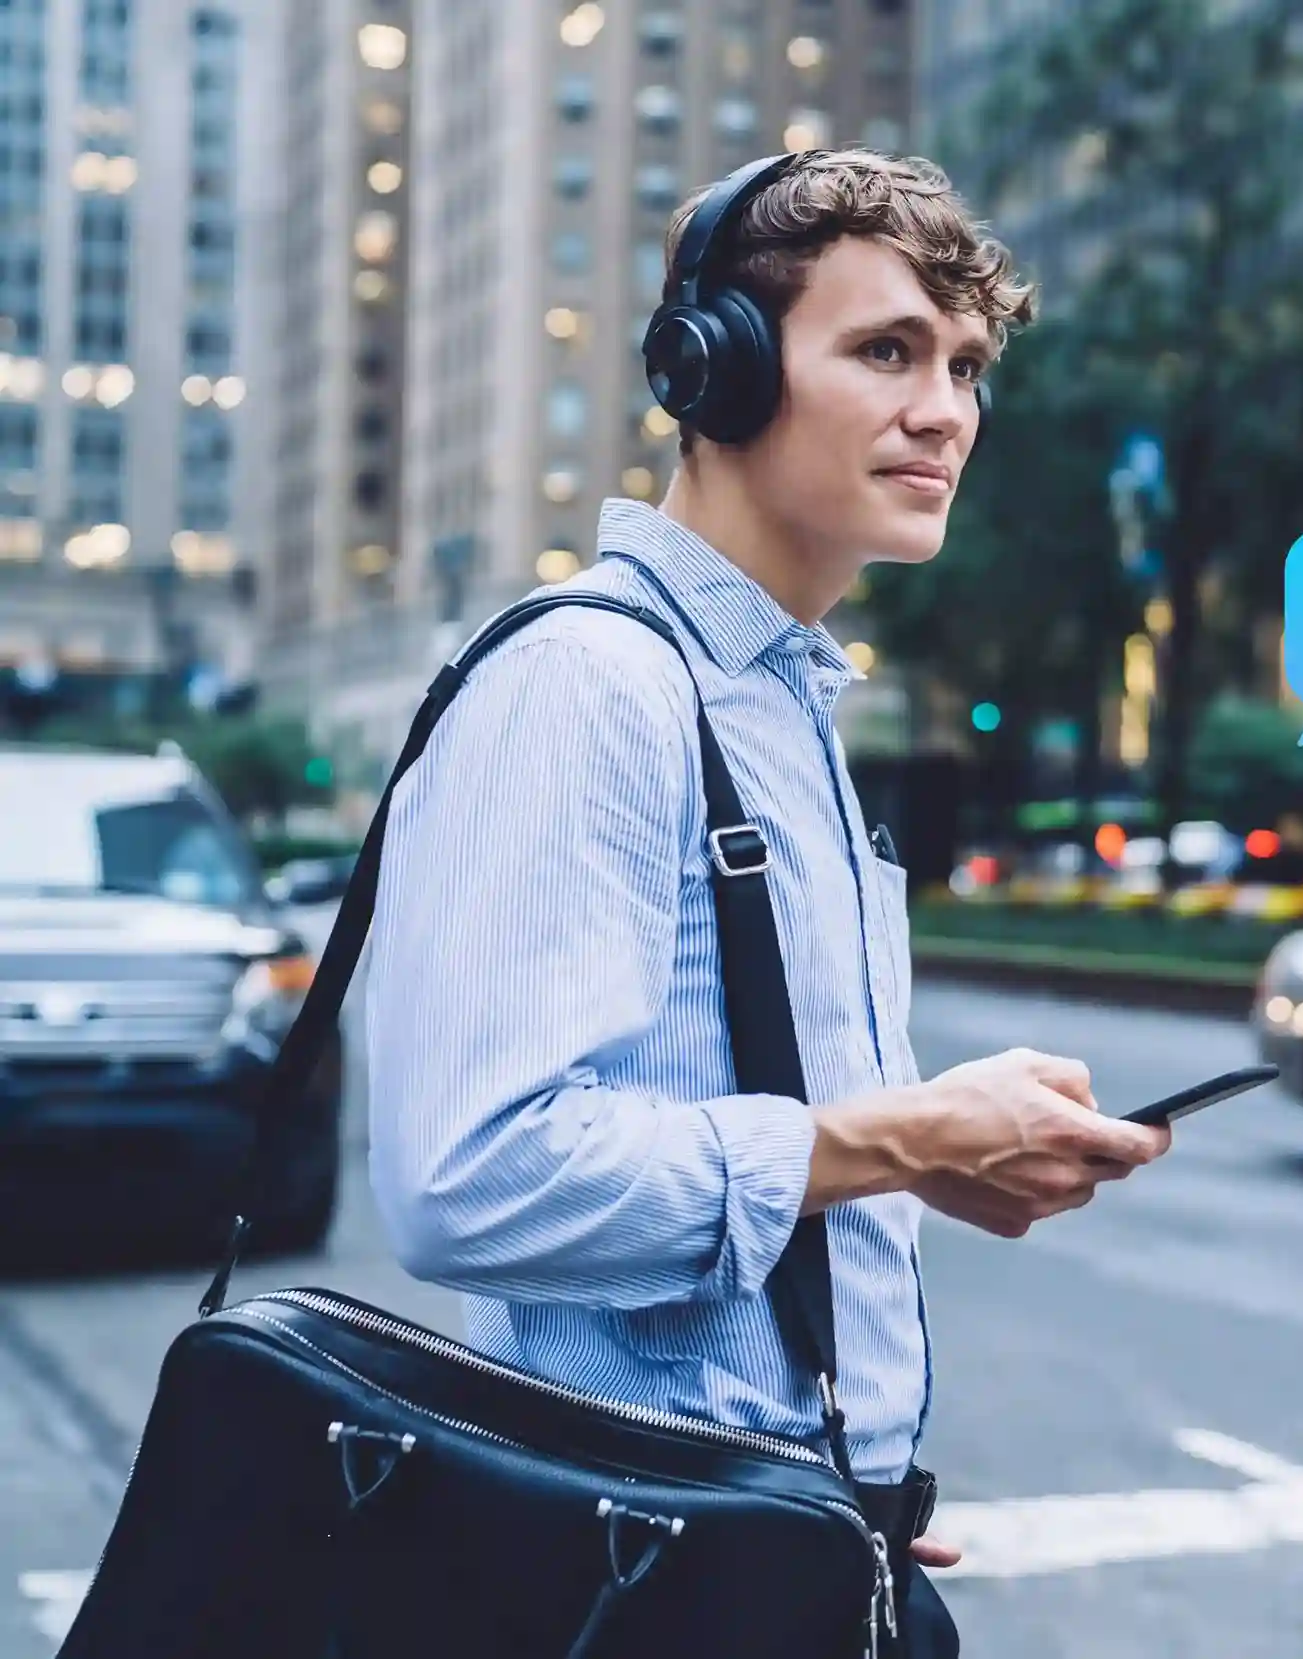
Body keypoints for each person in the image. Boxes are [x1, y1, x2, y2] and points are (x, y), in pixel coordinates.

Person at [363, 149, 1171, 1657]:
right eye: (884, 351)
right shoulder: (589, 685)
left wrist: (831, 1459)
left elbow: (717, 1115)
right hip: (636, 1579)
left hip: (777, 1532)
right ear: (711, 372)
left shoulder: (781, 705)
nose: (945, 411)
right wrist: (904, 1134)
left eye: (967, 365)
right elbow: (467, 1175)